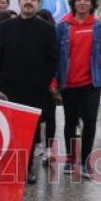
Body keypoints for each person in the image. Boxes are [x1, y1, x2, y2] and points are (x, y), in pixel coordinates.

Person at [0, 0, 59, 184]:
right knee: (9, 131)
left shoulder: (47, 29)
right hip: (9, 89)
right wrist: (1, 79)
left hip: (35, 90)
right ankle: (8, 167)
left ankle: (26, 169)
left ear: (38, 3)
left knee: (29, 133)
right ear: (19, 2)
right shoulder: (6, 27)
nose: (28, 2)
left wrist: (43, 82)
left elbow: (53, 59)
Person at [53, 0, 101, 177]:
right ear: (74, 3)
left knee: (90, 121)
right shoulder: (63, 26)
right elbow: (55, 57)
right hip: (69, 83)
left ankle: (86, 161)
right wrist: (54, 80)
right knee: (70, 122)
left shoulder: (100, 27)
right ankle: (71, 160)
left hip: (92, 83)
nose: (82, 2)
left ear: (92, 3)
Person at [35, 9, 59, 164]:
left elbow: (57, 59)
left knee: (50, 116)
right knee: (35, 115)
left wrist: (54, 80)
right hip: (33, 82)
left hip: (49, 82)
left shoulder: (53, 36)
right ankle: (37, 144)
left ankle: (49, 149)